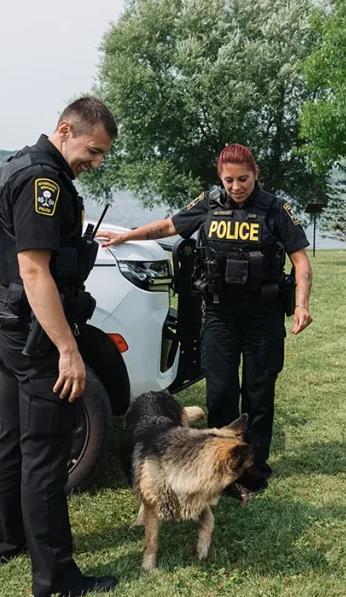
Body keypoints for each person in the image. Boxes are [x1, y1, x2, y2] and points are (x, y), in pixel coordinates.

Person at [97, 143, 313, 497]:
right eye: (229, 180)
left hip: (263, 317)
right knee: (221, 392)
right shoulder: (210, 204)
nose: (236, 186)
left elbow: (300, 261)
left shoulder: (275, 210)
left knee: (259, 394)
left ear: (256, 174)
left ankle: (254, 468)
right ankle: (222, 465)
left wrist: (302, 304)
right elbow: (169, 225)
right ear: (221, 178)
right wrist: (127, 235)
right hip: (220, 316)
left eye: (243, 179)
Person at [0, 96, 119, 597]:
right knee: (46, 453)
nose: (95, 163)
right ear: (65, 129)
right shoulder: (44, 181)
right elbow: (36, 270)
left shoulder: (16, 162)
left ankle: (5, 542)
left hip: (9, 324)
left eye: (101, 156)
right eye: (93, 150)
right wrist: (68, 350)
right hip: (36, 332)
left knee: (10, 436)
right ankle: (56, 578)